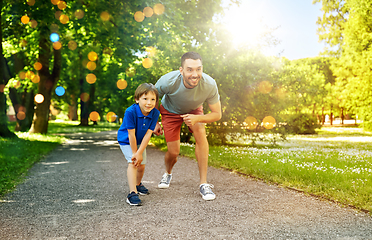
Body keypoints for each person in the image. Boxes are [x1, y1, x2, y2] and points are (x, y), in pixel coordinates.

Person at [154, 51, 222, 201]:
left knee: (201, 138)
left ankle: (204, 184)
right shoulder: (167, 81)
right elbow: (152, 99)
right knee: (173, 152)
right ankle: (168, 173)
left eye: (198, 69)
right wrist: (155, 122)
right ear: (181, 70)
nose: (195, 74)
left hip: (194, 110)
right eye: (190, 69)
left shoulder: (209, 84)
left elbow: (217, 114)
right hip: (170, 111)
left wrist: (197, 118)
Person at [117, 83, 160, 206]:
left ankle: (138, 184)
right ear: (137, 99)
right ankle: (132, 193)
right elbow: (131, 135)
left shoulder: (155, 113)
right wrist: (136, 154)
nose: (149, 103)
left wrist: (140, 152)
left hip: (140, 140)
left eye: (153, 99)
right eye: (145, 99)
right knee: (133, 163)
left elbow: (148, 135)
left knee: (141, 165)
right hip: (126, 140)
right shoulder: (130, 112)